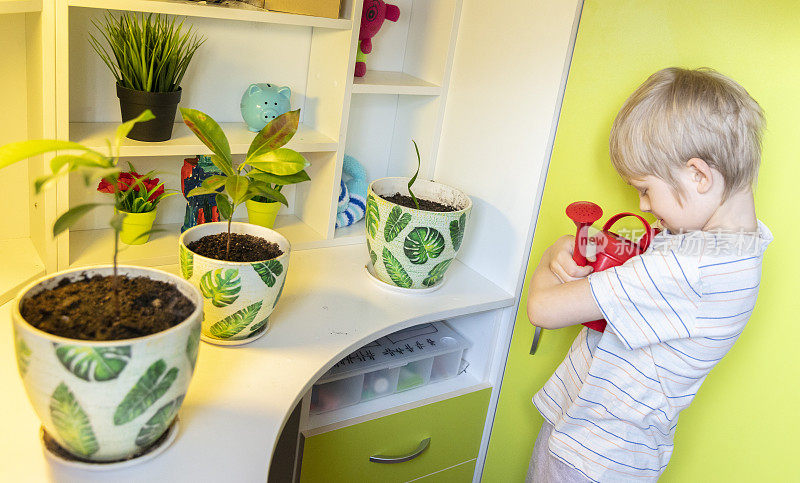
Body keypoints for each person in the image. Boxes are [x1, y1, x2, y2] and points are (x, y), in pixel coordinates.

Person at [525, 67, 773, 482]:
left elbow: (542, 309)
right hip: (626, 454)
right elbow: (654, 271)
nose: (641, 204)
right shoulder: (742, 247)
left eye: (645, 188)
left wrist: (552, 255)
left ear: (699, 176)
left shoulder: (685, 268)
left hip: (587, 454)